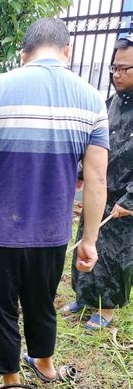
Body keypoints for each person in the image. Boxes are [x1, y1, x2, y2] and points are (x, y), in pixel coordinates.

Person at [0, 17, 109, 389]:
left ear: (24, 53)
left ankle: (12, 388)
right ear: (66, 52)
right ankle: (45, 363)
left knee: (1, 308)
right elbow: (98, 178)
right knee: (42, 300)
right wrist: (89, 240)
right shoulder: (91, 99)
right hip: (53, 233)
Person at [62, 34, 132, 328]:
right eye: (114, 68)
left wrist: (130, 200)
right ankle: (85, 296)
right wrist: (80, 175)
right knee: (88, 240)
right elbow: (95, 146)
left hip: (123, 199)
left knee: (115, 254)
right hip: (100, 188)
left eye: (124, 68)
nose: (117, 74)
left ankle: (107, 309)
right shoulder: (110, 105)